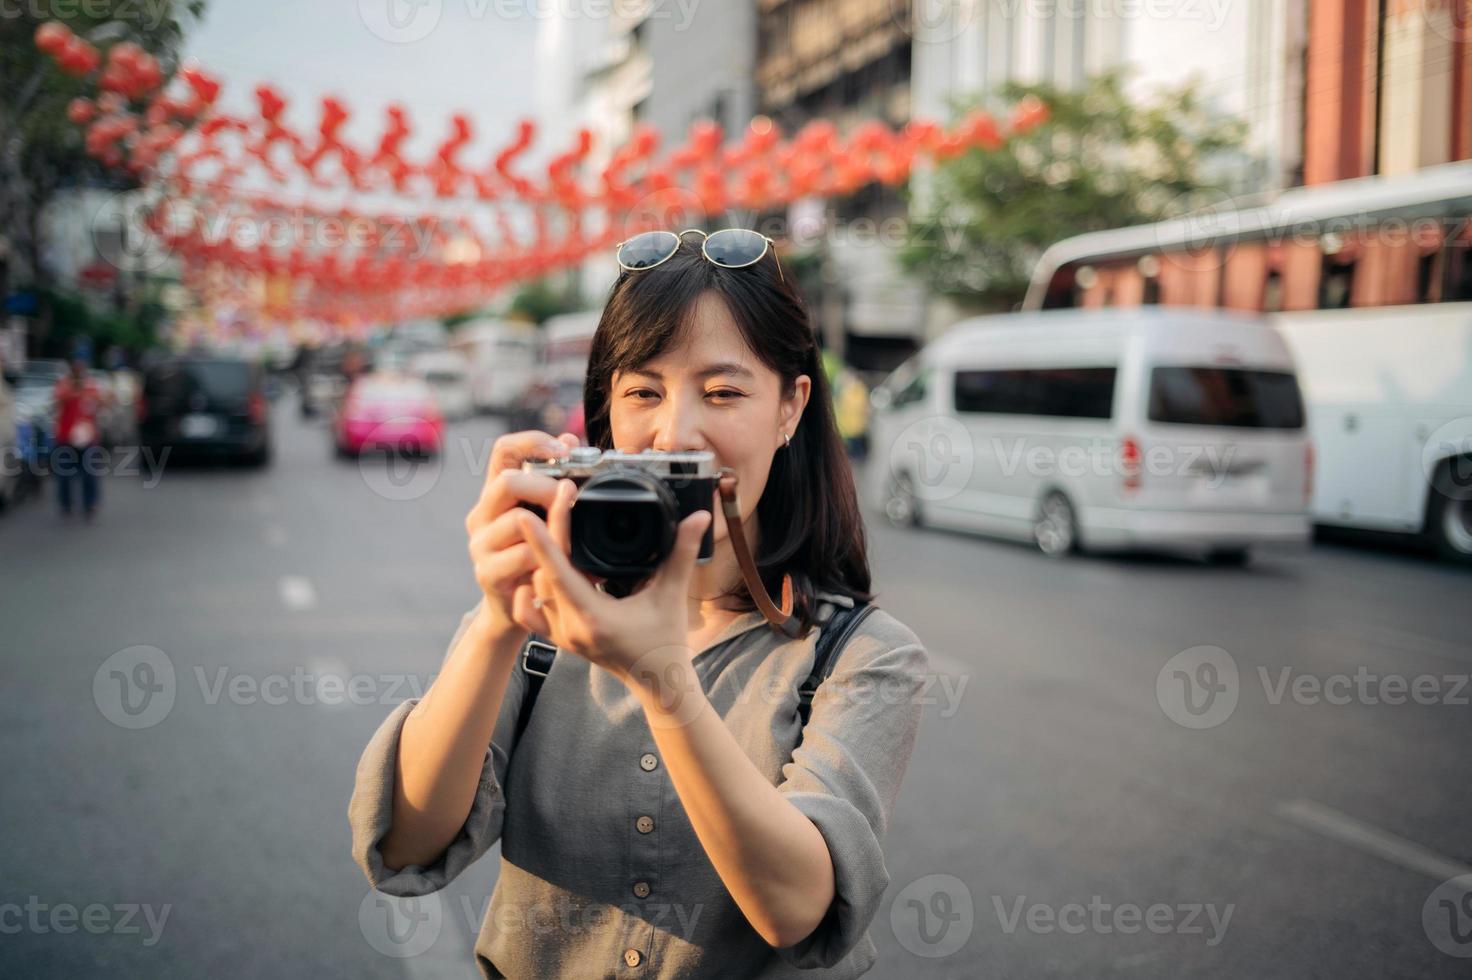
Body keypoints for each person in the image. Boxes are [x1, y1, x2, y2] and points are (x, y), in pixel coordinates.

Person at [349, 228, 931, 978]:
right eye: (643, 393)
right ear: (606, 416)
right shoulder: (544, 618)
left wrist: (662, 678)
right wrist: (496, 618)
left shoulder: (863, 653)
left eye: (722, 392)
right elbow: (406, 845)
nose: (674, 433)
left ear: (791, 407)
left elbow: (797, 908)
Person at [51, 357, 111, 522]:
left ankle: (90, 504)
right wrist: (73, 391)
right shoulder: (63, 385)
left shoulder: (91, 386)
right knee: (64, 474)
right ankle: (66, 504)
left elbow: (102, 403)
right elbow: (57, 402)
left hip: (88, 438)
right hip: (65, 438)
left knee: (90, 473)